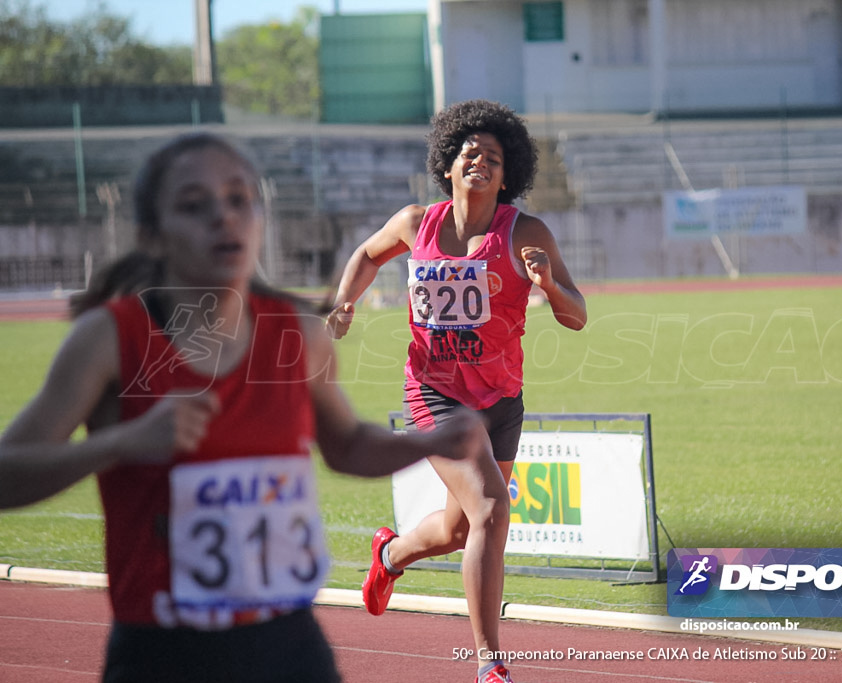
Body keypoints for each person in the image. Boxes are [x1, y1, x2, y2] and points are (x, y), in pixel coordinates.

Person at [0, 132, 487, 683]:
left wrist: (425, 443)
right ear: (151, 236)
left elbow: (346, 445)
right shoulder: (109, 341)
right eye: (193, 205)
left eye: (238, 199)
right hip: (163, 656)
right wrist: (119, 445)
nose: (223, 218)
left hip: (290, 647)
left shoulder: (298, 333)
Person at [325, 99, 587, 683]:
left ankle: (389, 555)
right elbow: (368, 255)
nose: (481, 162)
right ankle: (490, 662)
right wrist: (345, 301)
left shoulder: (525, 232)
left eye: (494, 158)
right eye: (470, 152)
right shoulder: (414, 223)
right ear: (448, 163)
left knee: (460, 529)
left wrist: (548, 285)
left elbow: (578, 315)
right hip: (435, 395)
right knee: (493, 510)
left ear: (506, 173)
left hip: (500, 402)